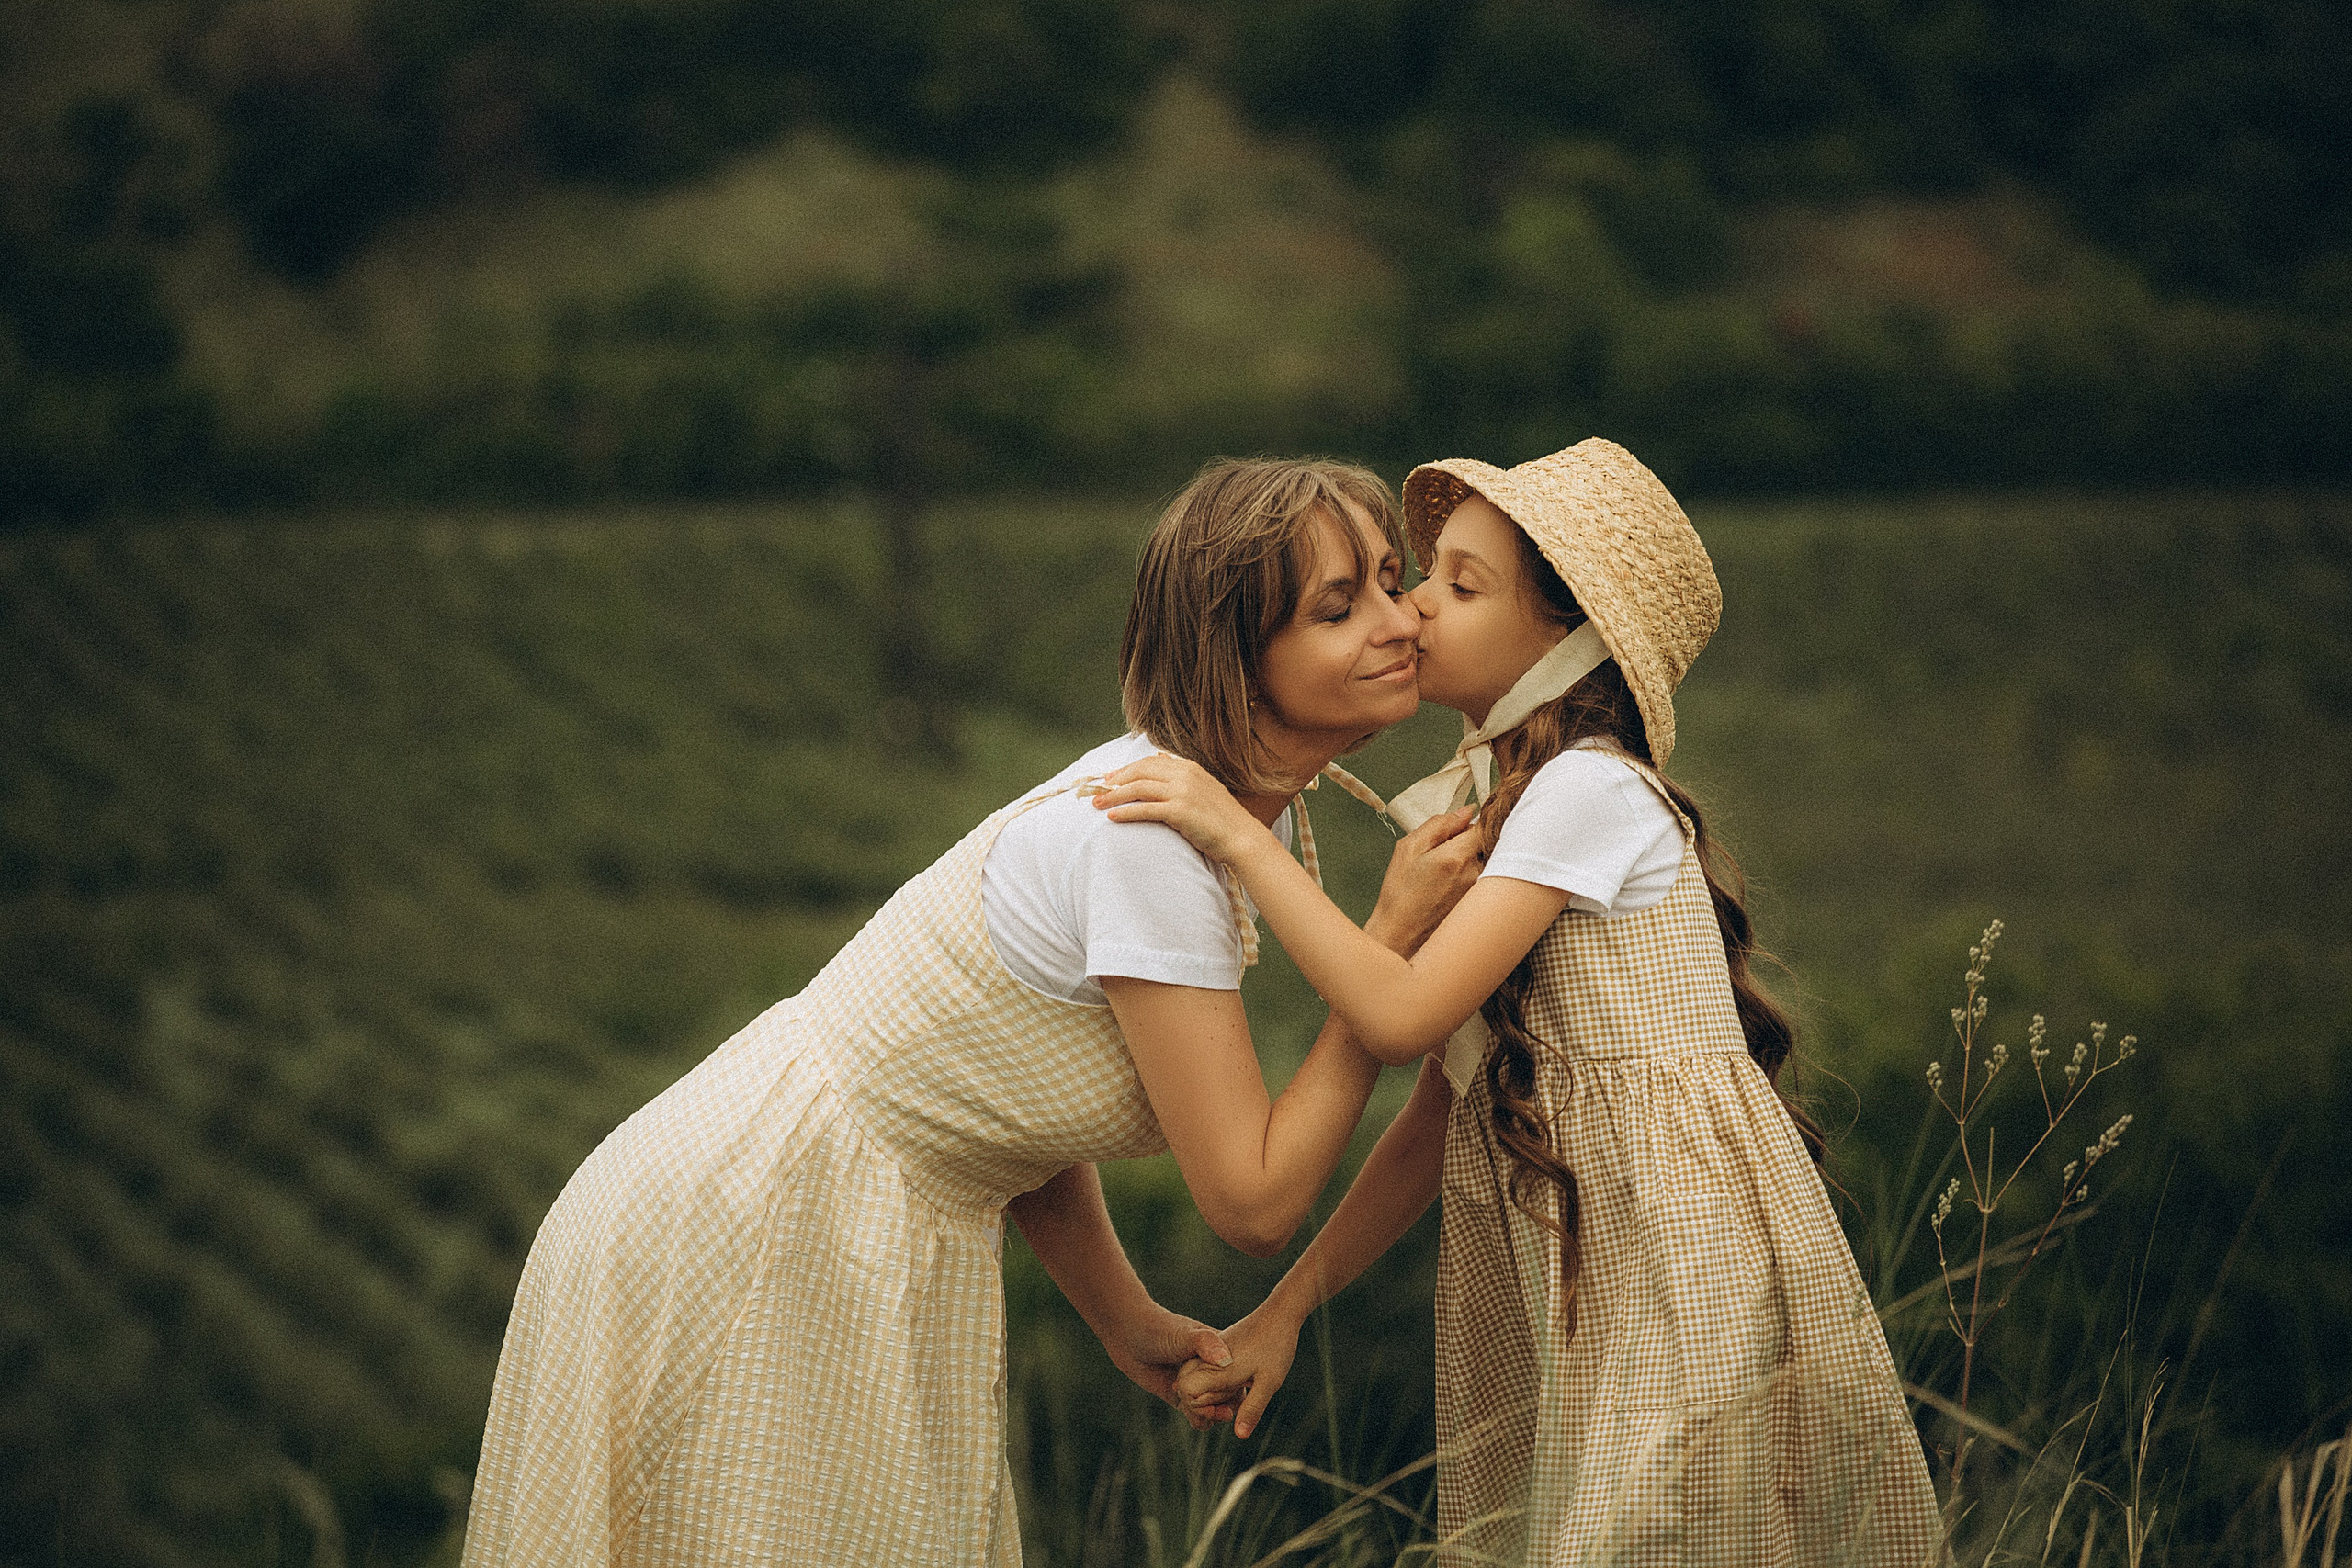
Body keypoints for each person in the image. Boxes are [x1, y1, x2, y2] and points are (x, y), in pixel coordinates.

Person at [458, 458, 1482, 1568]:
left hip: (848, 1216)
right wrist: (1385, 948)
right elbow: (1253, 1200)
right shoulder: (1154, 842)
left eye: (1393, 580)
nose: (1400, 622)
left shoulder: (1224, 814)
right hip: (758, 1221)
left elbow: (1006, 1081)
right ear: (1236, 661)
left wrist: (1120, 1314)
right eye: (1340, 607)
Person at [1097, 440, 1944, 1566]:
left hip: (1671, 1252)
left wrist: (1235, 838)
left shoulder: (1589, 789)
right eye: (1416, 579)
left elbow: (1395, 1019)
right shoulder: (1509, 812)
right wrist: (1286, 1308)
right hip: (1593, 1257)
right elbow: (1441, 1108)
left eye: (1458, 585)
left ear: (1568, 638)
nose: (1412, 613)